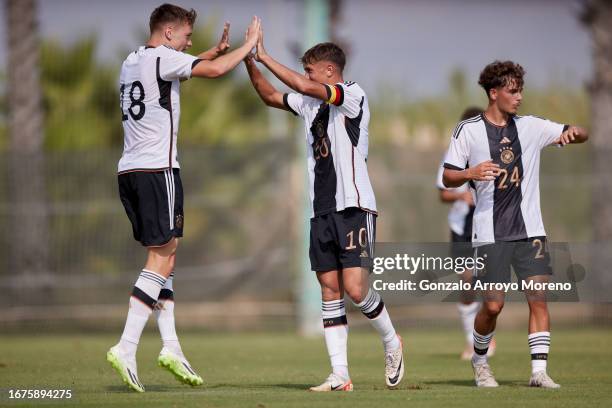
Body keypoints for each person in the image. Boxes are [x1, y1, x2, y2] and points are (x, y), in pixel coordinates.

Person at [107, 3, 261, 392]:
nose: (191, 42)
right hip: (158, 170)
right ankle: (126, 347)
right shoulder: (164, 58)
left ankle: (172, 346)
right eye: (187, 37)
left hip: (129, 170)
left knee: (167, 254)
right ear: (168, 33)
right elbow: (216, 72)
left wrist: (211, 51)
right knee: (160, 258)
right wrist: (249, 47)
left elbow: (182, 68)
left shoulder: (132, 61)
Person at [243, 29, 404, 392]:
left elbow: (304, 85)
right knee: (329, 288)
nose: (308, 77)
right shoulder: (308, 104)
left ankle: (392, 341)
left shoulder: (352, 95)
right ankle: (340, 374)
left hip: (354, 206)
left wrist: (266, 55)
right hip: (322, 210)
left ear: (330, 71)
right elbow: (269, 95)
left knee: (356, 289)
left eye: (312, 70)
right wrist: (249, 62)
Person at [442, 60, 588, 388]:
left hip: (531, 231)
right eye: (512, 91)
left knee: (538, 297)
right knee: (493, 305)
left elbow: (577, 132)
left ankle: (539, 372)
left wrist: (576, 133)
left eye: (521, 90)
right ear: (494, 94)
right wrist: (470, 173)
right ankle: (480, 362)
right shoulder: (468, 130)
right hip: (489, 232)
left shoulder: (531, 127)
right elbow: (447, 176)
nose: (519, 96)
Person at [436, 107, 496, 361]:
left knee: (490, 287)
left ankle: (486, 339)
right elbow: (442, 192)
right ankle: (472, 342)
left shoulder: (492, 154)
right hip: (462, 227)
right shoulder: (453, 155)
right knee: (467, 283)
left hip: (488, 225)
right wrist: (461, 194)